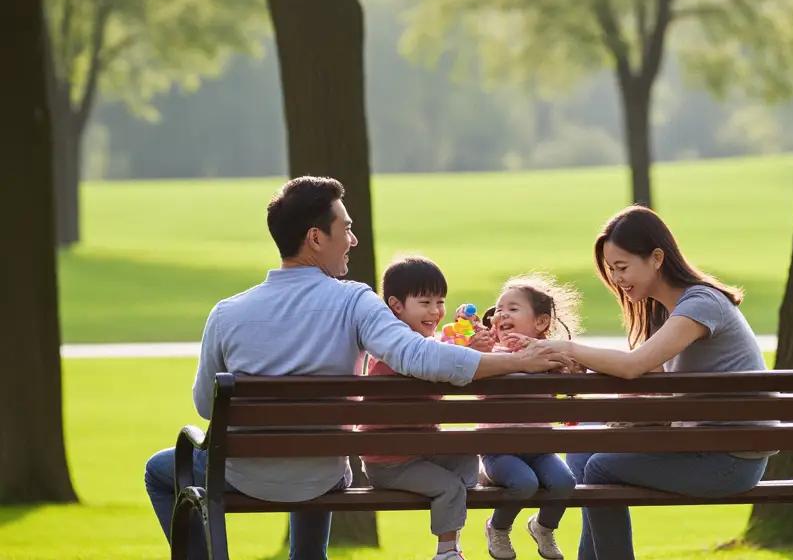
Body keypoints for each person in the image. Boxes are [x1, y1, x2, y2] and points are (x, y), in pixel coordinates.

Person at [143, 177, 568, 560]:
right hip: (324, 474)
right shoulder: (353, 301)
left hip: (244, 474)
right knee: (315, 459)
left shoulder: (226, 313)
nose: (354, 239)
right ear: (315, 237)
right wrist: (516, 360)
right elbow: (420, 357)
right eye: (345, 228)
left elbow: (204, 405)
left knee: (162, 470)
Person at [544, 206, 772, 560]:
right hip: (706, 448)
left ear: (656, 258)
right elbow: (646, 373)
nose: (617, 279)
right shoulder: (669, 310)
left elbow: (634, 366)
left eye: (622, 267)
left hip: (729, 462)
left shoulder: (700, 304)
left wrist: (568, 347)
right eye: (611, 270)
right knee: (582, 450)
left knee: (600, 467)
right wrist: (581, 364)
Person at [358, 255, 490, 560]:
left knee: (467, 456)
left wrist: (470, 343)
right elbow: (436, 362)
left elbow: (442, 353)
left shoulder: (422, 346)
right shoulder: (397, 352)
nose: (435, 311)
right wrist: (466, 352)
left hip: (419, 450)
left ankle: (461, 492)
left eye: (440, 302)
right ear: (396, 305)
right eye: (425, 302)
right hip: (390, 462)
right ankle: (446, 552)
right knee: (449, 487)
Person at [479, 275, 580, 560]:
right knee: (525, 483)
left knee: (564, 482)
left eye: (512, 308)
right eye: (499, 309)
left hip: (539, 448)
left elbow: (572, 371)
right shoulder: (492, 355)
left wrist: (565, 367)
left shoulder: (547, 356)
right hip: (499, 452)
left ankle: (543, 527)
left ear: (540, 323)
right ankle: (498, 528)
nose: (501, 314)